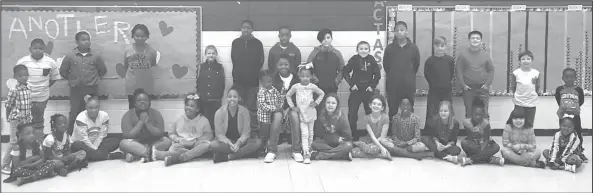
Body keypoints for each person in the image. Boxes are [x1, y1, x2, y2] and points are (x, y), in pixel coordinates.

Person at [60, 31, 107, 135]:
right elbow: (63, 71)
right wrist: (72, 79)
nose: (86, 42)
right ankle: (70, 137)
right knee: (74, 113)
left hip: (91, 89)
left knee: (93, 113)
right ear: (77, 42)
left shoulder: (96, 56)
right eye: (83, 40)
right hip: (76, 90)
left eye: (88, 39)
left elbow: (102, 70)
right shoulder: (70, 55)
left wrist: (92, 79)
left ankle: (94, 136)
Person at [15, 38, 60, 140]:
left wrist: (45, 86)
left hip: (41, 98)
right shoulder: (23, 61)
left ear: (44, 49)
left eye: (40, 48)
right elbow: (17, 77)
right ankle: (23, 144)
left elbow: (55, 77)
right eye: (35, 48)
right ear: (30, 49)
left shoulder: (50, 62)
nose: (37, 50)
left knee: (38, 121)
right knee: (24, 122)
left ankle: (38, 144)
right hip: (25, 99)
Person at [154, 93, 213, 166]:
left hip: (196, 144)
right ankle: (193, 154)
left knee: (207, 145)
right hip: (182, 144)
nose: (188, 107)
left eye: (191, 106)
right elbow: (171, 133)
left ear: (197, 109)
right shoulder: (179, 119)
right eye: (187, 105)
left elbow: (209, 135)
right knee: (173, 148)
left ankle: (182, 157)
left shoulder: (204, 120)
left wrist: (197, 140)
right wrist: (178, 140)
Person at [285, 64, 325, 164]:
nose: (305, 78)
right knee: (304, 133)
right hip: (301, 115)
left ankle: (310, 149)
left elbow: (322, 93)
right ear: (299, 76)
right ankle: (305, 152)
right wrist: (292, 106)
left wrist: (316, 103)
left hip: (311, 113)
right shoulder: (296, 87)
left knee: (311, 133)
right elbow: (288, 95)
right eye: (303, 76)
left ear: (311, 76)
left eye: (307, 76)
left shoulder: (312, 87)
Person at [211, 87, 262, 163]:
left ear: (239, 98)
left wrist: (238, 144)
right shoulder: (219, 112)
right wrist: (229, 143)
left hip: (241, 142)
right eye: (229, 97)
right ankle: (245, 153)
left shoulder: (244, 112)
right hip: (227, 143)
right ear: (226, 98)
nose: (232, 99)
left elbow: (246, 133)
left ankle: (229, 156)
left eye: (235, 97)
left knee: (257, 142)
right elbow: (219, 134)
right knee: (213, 145)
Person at [119, 89, 172, 163]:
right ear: (134, 103)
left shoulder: (156, 113)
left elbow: (160, 133)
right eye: (139, 100)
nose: (142, 102)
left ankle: (137, 154)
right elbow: (128, 135)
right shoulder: (127, 115)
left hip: (153, 143)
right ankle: (155, 154)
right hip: (136, 143)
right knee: (123, 143)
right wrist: (141, 121)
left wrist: (147, 123)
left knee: (167, 141)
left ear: (149, 102)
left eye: (145, 100)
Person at [343, 41, 381, 141]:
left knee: (371, 113)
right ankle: (353, 136)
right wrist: (351, 85)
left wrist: (372, 86)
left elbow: (377, 74)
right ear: (357, 50)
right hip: (356, 91)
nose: (363, 51)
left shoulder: (371, 59)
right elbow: (345, 71)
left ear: (369, 50)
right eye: (361, 49)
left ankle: (373, 136)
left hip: (368, 91)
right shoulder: (354, 59)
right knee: (352, 114)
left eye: (366, 49)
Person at [231, 19, 264, 132]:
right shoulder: (235, 42)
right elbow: (233, 59)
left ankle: (253, 131)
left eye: (248, 28)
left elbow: (261, 61)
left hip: (252, 82)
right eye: (244, 27)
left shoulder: (258, 43)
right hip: (238, 82)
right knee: (238, 107)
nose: (246, 29)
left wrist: (253, 73)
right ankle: (237, 131)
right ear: (241, 29)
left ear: (252, 30)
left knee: (252, 108)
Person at [70, 94, 123, 161]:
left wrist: (95, 148)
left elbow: (101, 135)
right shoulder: (80, 118)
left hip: (96, 144)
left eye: (96, 107)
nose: (94, 110)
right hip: (82, 144)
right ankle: (106, 156)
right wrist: (95, 149)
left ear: (99, 107)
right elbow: (84, 139)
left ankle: (93, 156)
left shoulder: (104, 116)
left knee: (116, 140)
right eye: (90, 108)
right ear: (86, 107)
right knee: (77, 145)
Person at [383, 21, 420, 118]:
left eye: (402, 30)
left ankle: (409, 132)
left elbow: (416, 65)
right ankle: (393, 132)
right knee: (393, 110)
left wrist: (408, 75)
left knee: (409, 109)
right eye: (397, 30)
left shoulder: (413, 48)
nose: (399, 32)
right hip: (393, 85)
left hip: (408, 85)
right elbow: (386, 66)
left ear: (406, 32)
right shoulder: (389, 48)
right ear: (394, 33)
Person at [271, 55, 303, 162]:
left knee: (294, 117)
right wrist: (280, 109)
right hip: (278, 108)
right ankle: (272, 150)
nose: (283, 66)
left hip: (292, 107)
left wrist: (289, 109)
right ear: (276, 66)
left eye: (286, 64)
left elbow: (298, 97)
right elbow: (272, 97)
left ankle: (296, 150)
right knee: (277, 118)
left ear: (290, 65)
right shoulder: (273, 79)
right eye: (280, 64)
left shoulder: (296, 79)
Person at [456, 30, 494, 119]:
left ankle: (484, 132)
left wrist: (487, 84)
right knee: (469, 113)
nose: (475, 40)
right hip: (468, 89)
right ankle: (471, 133)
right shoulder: (463, 55)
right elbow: (458, 71)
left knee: (484, 114)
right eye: (473, 38)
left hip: (482, 88)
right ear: (469, 40)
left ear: (481, 41)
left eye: (477, 38)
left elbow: (491, 70)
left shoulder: (485, 55)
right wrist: (463, 85)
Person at [2, 65, 32, 175]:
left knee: (21, 142)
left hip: (25, 120)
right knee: (13, 142)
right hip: (15, 120)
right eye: (21, 75)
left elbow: (29, 105)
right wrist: (8, 118)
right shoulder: (14, 90)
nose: (24, 77)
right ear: (15, 76)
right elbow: (8, 106)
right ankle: (4, 165)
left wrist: (29, 118)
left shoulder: (29, 88)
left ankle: (17, 163)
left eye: (26, 75)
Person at [124, 24, 160, 110]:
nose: (140, 38)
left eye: (143, 36)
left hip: (146, 85)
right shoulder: (128, 50)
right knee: (132, 108)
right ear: (133, 36)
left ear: (147, 37)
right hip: (131, 85)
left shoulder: (152, 51)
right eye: (137, 36)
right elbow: (126, 65)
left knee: (146, 108)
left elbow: (153, 63)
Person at [555, 68, 587, 162]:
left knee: (578, 133)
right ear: (563, 78)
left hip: (575, 116)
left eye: (572, 77)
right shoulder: (559, 89)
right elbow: (558, 99)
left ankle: (579, 151)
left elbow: (581, 101)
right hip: (563, 115)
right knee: (563, 132)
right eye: (567, 77)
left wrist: (573, 108)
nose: (569, 79)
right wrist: (564, 108)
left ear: (575, 78)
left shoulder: (578, 89)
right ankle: (561, 151)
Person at [459, 101, 504, 166]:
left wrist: (482, 149)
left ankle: (471, 159)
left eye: (480, 115)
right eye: (476, 114)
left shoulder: (486, 124)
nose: (478, 117)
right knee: (463, 143)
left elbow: (486, 140)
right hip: (474, 144)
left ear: (483, 114)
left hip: (484, 145)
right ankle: (489, 158)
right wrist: (473, 130)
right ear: (471, 113)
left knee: (496, 147)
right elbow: (470, 138)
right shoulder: (466, 122)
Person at [311, 93, 353, 161]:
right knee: (314, 144)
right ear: (324, 103)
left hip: (340, 145)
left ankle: (321, 155)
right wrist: (335, 138)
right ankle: (342, 155)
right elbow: (319, 135)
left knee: (348, 145)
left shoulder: (342, 118)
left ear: (337, 105)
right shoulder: (321, 116)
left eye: (333, 103)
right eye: (328, 102)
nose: (330, 105)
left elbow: (348, 137)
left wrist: (336, 140)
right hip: (325, 144)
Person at [351, 94, 392, 160]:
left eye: (379, 104)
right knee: (370, 149)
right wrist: (380, 148)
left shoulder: (385, 117)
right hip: (370, 140)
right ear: (370, 105)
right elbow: (372, 136)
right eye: (374, 103)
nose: (376, 106)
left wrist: (378, 146)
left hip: (381, 141)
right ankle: (380, 155)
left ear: (382, 107)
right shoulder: (366, 118)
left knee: (371, 149)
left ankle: (361, 146)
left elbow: (382, 137)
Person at [424, 36, 455, 123]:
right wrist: (434, 84)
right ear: (434, 46)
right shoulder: (429, 61)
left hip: (446, 90)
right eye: (437, 46)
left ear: (445, 46)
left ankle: (447, 133)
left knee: (447, 111)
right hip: (434, 91)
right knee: (432, 112)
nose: (439, 48)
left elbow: (451, 73)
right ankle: (431, 134)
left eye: (442, 46)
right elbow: (427, 75)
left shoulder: (449, 60)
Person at [257, 70, 285, 163]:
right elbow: (263, 105)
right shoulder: (261, 92)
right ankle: (262, 148)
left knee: (271, 132)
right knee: (264, 134)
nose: (269, 84)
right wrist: (274, 108)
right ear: (262, 82)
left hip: (273, 116)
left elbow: (280, 98)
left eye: (270, 81)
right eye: (267, 82)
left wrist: (280, 106)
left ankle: (270, 148)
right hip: (264, 118)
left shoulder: (274, 89)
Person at [307, 28, 345, 95]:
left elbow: (342, 69)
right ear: (320, 40)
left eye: (328, 38)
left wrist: (336, 81)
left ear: (331, 38)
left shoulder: (337, 53)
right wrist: (315, 81)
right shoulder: (314, 53)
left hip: (332, 86)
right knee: (318, 104)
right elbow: (308, 68)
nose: (326, 40)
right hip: (317, 86)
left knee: (331, 104)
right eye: (323, 38)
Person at [508, 50, 540, 128]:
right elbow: (513, 86)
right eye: (523, 59)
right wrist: (514, 95)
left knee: (529, 122)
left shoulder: (536, 73)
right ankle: (517, 138)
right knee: (518, 122)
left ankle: (528, 138)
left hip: (531, 102)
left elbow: (537, 86)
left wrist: (536, 94)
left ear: (532, 60)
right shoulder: (516, 73)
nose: (526, 61)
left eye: (528, 59)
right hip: (519, 102)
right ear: (519, 61)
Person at [197, 45, 225, 131]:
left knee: (215, 119)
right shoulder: (201, 67)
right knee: (205, 119)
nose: (211, 55)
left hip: (215, 99)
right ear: (205, 54)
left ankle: (215, 136)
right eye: (209, 53)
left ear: (216, 54)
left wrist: (219, 95)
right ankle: (205, 136)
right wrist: (200, 94)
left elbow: (222, 82)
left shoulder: (220, 67)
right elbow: (198, 82)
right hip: (204, 98)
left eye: (213, 53)